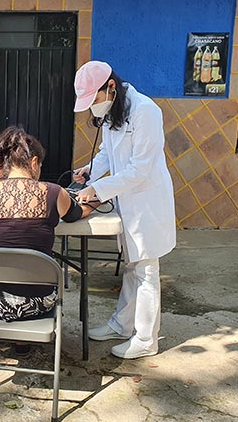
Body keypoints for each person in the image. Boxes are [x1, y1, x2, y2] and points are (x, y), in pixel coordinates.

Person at [72, 61, 176, 360]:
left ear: (111, 87)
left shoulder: (146, 111)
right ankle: (121, 324)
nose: (93, 107)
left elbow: (140, 169)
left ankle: (145, 338)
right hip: (126, 200)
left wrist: (98, 190)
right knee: (132, 265)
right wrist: (90, 171)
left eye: (94, 100)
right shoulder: (114, 112)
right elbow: (108, 153)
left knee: (146, 270)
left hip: (146, 201)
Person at [0, 127, 91, 340]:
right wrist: (95, 202)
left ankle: (12, 340)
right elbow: (76, 213)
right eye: (39, 164)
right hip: (38, 302)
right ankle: (24, 340)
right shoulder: (54, 192)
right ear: (34, 163)